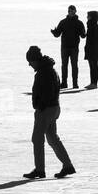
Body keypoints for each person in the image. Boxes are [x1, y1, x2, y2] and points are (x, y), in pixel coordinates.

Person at [26, 45, 74, 179]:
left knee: (37, 139)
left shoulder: (44, 72)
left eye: (30, 62)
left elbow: (47, 92)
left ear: (35, 59)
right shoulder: (48, 70)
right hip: (53, 108)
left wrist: (40, 106)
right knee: (52, 138)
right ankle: (68, 165)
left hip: (46, 110)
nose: (29, 65)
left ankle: (40, 170)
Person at [50, 4, 87, 89]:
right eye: (69, 11)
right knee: (64, 65)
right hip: (65, 47)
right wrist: (54, 32)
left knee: (74, 66)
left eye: (72, 11)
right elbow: (58, 34)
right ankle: (64, 83)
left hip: (74, 47)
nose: (70, 12)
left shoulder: (79, 23)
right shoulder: (63, 22)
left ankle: (75, 83)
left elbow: (83, 35)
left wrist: (84, 34)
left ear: (75, 11)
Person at [84, 10, 98, 90]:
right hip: (91, 49)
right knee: (92, 66)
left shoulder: (96, 26)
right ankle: (92, 82)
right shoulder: (91, 26)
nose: (87, 17)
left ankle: (94, 83)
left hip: (93, 49)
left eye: (88, 16)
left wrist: (95, 45)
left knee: (94, 66)